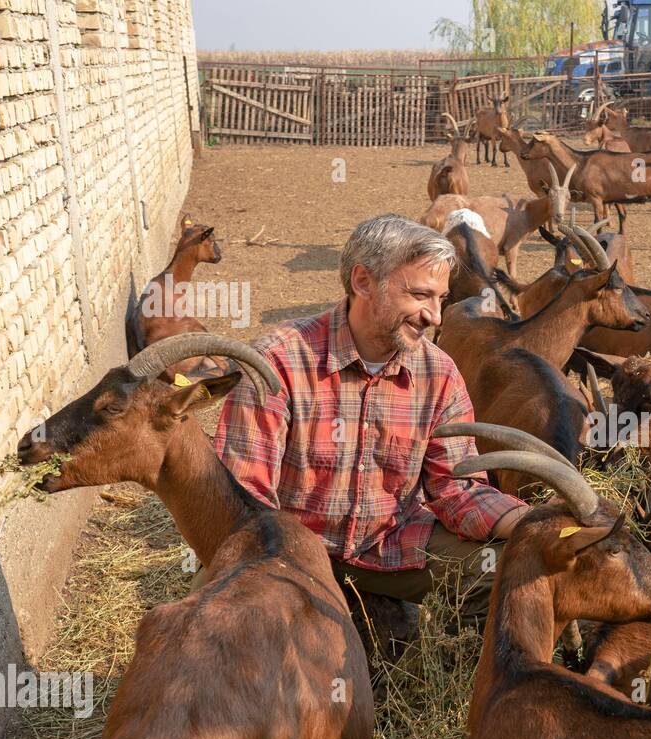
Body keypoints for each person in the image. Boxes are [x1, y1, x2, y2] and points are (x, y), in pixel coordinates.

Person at [203, 213, 531, 630]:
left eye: (441, 299)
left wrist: (529, 523)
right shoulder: (278, 362)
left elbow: (457, 488)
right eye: (419, 295)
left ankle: (449, 676)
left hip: (390, 547)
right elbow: (245, 499)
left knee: (508, 571)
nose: (435, 317)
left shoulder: (439, 374)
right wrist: (287, 574)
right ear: (363, 282)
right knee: (214, 625)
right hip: (288, 555)